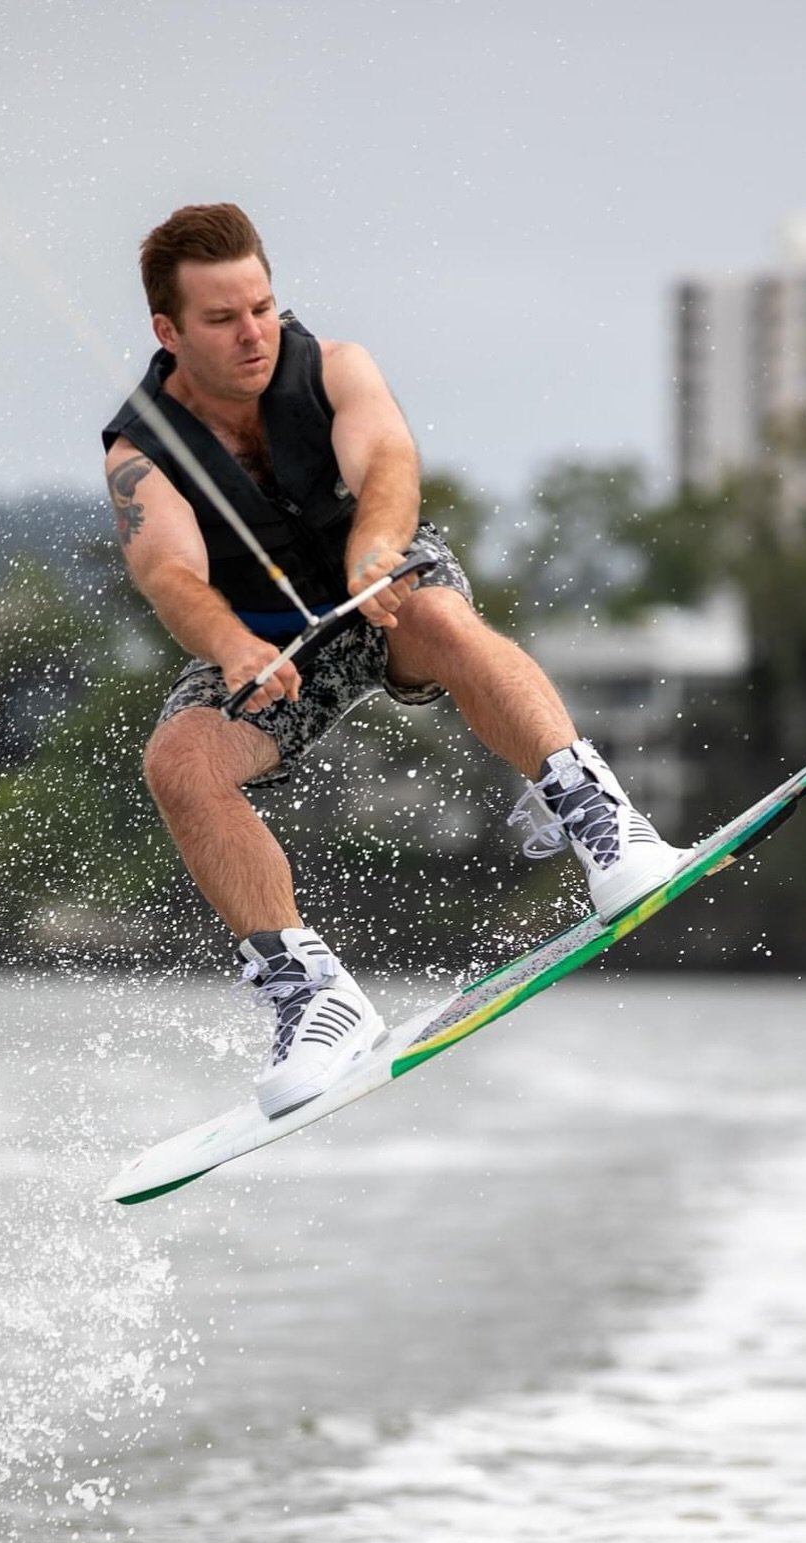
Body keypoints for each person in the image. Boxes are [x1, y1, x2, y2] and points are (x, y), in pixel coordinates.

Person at [104, 203, 679, 1118]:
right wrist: (232, 644)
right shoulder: (142, 453)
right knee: (179, 762)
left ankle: (601, 820)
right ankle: (314, 997)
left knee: (445, 620)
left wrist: (374, 551)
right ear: (168, 331)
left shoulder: (332, 367)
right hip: (268, 644)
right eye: (222, 319)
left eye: (261, 305)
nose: (253, 333)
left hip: (381, 589)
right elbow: (168, 570)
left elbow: (387, 465)